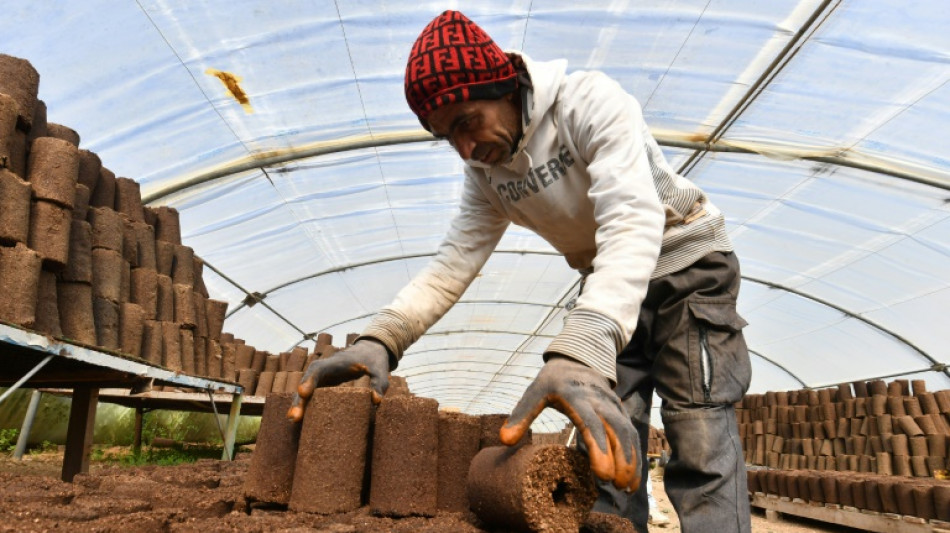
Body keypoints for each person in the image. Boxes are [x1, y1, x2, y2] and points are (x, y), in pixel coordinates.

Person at [289, 10, 752, 533]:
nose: (465, 149)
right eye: (447, 137)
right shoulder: (486, 172)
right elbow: (453, 262)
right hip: (611, 283)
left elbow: (631, 219)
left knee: (700, 432)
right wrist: (382, 339)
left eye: (466, 121)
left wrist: (583, 345)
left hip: (687, 265)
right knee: (608, 435)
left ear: (503, 85)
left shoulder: (588, 102)